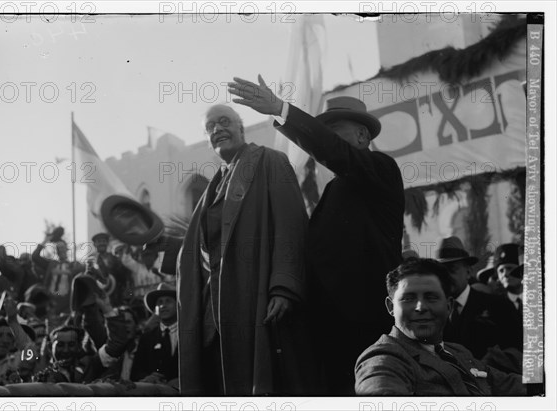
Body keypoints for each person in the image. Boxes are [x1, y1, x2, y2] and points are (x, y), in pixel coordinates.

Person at [228, 76, 405, 394]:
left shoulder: (382, 168)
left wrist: (281, 110)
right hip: (330, 324)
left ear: (363, 136)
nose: (325, 140)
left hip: (365, 321)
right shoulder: (336, 188)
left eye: (334, 132)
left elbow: (335, 152)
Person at [177, 104, 313, 395]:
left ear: (241, 127)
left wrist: (284, 287)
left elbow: (291, 224)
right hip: (212, 317)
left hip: (254, 302)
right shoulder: (211, 189)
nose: (217, 130)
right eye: (210, 127)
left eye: (224, 122)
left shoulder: (270, 162)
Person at [354, 257, 526, 395]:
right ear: (391, 307)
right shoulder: (385, 359)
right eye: (408, 298)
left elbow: (510, 384)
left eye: (431, 297)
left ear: (449, 306)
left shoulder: (458, 353)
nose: (420, 307)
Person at [437, 237, 519, 359]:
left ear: (468, 272)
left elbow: (516, 351)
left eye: (452, 270)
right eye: (441, 272)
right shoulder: (435, 312)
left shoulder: (497, 306)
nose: (446, 277)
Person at [130, 282, 178, 384]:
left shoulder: (188, 333)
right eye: (159, 302)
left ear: (178, 304)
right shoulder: (147, 337)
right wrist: (150, 378)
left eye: (168, 301)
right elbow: (135, 372)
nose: (163, 306)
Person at [32, 232, 84, 313]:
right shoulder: (51, 264)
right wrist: (45, 240)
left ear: (67, 249)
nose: (61, 250)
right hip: (51, 297)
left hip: (66, 300)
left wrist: (66, 272)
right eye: (58, 248)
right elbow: (35, 257)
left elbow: (82, 269)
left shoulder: (73, 265)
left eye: (63, 247)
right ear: (56, 251)